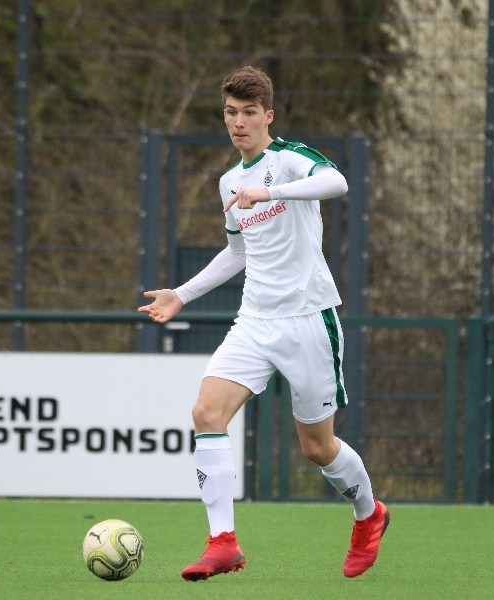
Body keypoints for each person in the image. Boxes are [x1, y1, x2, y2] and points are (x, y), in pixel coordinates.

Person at [138, 65, 389, 581]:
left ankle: (369, 515)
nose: (238, 123)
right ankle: (223, 542)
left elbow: (338, 182)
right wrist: (182, 295)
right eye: (230, 113)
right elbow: (237, 253)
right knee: (207, 412)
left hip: (308, 321)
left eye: (249, 113)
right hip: (254, 322)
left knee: (318, 448)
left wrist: (271, 194)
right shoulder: (230, 181)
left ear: (267, 116)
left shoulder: (292, 160)